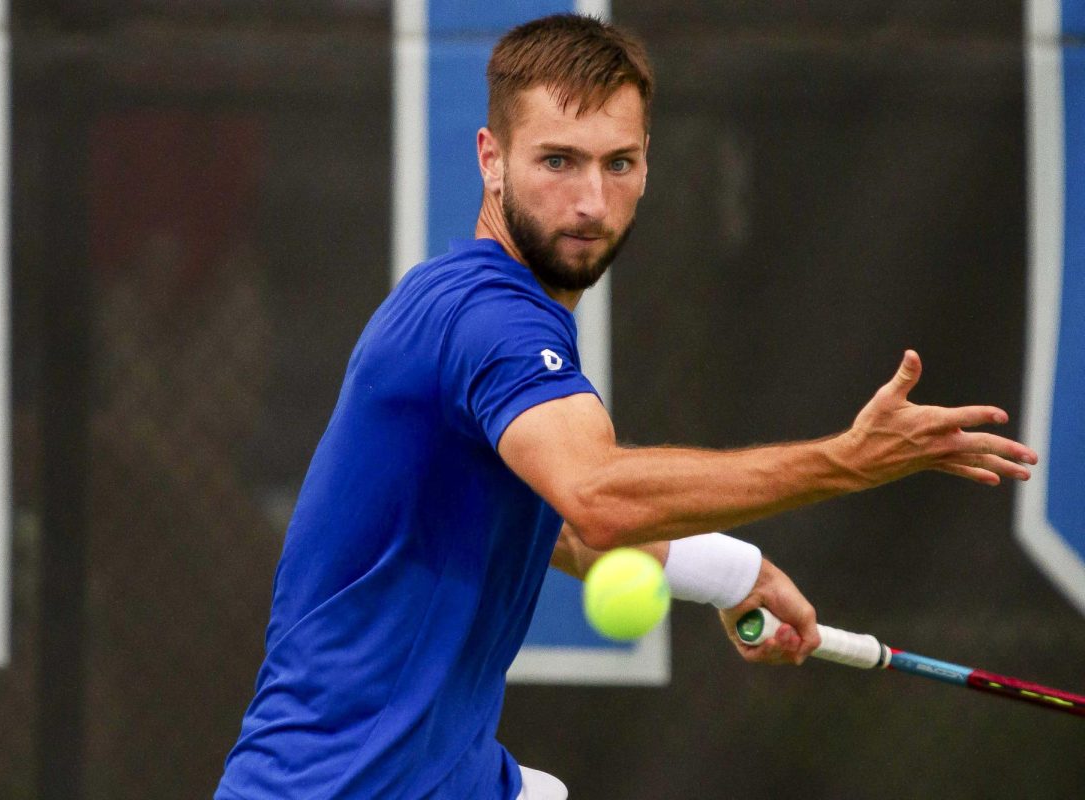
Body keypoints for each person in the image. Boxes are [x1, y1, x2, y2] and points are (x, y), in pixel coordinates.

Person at [215, 14, 1037, 800]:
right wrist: (848, 461)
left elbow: (562, 525)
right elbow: (597, 500)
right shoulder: (492, 321)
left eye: (618, 164)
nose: (591, 203)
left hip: (444, 776)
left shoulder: (465, 301)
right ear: (491, 160)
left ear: (647, 162)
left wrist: (733, 573)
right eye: (557, 161)